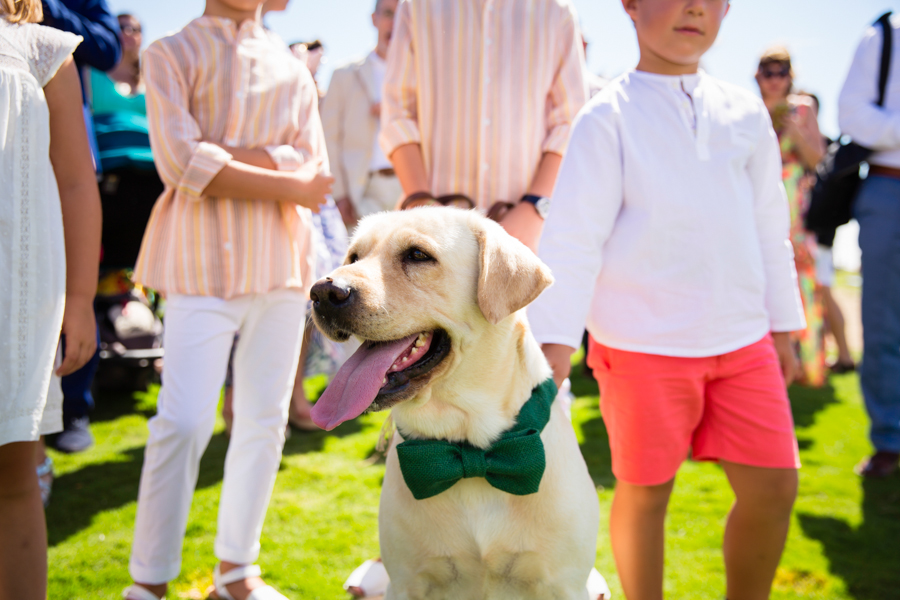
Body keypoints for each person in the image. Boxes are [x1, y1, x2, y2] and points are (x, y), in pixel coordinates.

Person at [529, 1, 806, 599]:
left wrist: (784, 327)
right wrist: (553, 344)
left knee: (776, 485)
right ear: (629, 5)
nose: (694, 7)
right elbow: (575, 238)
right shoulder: (606, 117)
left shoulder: (745, 112)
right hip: (639, 345)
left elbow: (768, 228)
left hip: (744, 339)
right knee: (646, 490)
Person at [122, 0, 333, 597]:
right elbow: (178, 163)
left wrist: (221, 157)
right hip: (198, 264)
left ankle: (238, 570)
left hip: (280, 263)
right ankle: (148, 580)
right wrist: (280, 175)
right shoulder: (168, 53)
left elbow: (314, 173)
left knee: (264, 421)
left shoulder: (292, 69)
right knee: (184, 421)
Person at [1, 0, 102, 597]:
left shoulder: (40, 46)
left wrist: (82, 296)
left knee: (12, 475)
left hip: (13, 302)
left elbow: (73, 178)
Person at [380, 0, 587, 251]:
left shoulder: (556, 12)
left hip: (528, 232)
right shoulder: (417, 7)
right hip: (430, 232)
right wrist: (421, 202)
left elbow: (571, 120)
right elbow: (397, 111)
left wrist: (534, 207)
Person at [41, 0, 121, 454]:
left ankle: (72, 406)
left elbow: (107, 47)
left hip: (63, 142)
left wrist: (43, 6)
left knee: (74, 269)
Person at [839, 13, 900, 479]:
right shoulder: (884, 34)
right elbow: (854, 114)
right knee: (883, 324)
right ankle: (891, 442)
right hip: (888, 187)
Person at [755, 45, 827, 388]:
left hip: (795, 208)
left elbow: (817, 160)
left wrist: (793, 129)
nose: (774, 78)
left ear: (790, 76)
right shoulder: (749, 109)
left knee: (804, 282)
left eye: (781, 71)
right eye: (768, 71)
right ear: (758, 76)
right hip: (758, 206)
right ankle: (768, 363)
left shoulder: (803, 108)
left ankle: (810, 365)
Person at [321, 0, 401, 228]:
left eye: (401, 15)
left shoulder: (422, 76)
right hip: (362, 192)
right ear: (374, 19)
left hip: (409, 190)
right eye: (388, 14)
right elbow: (329, 137)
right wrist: (338, 193)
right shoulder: (344, 75)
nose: (394, 23)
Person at [88, 12, 145, 116]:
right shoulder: (91, 73)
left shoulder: (152, 78)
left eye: (134, 29)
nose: (127, 32)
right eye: (120, 28)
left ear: (141, 38)